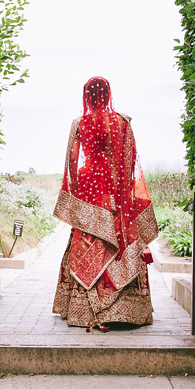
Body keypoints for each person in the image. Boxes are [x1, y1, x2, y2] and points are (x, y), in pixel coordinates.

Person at [52, 76, 158, 331]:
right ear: (109, 94)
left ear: (86, 96)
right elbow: (131, 163)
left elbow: (72, 161)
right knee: (120, 238)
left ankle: (84, 310)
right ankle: (127, 309)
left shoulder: (79, 123)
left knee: (88, 240)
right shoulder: (122, 123)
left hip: (90, 191)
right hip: (114, 190)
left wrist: (78, 193)